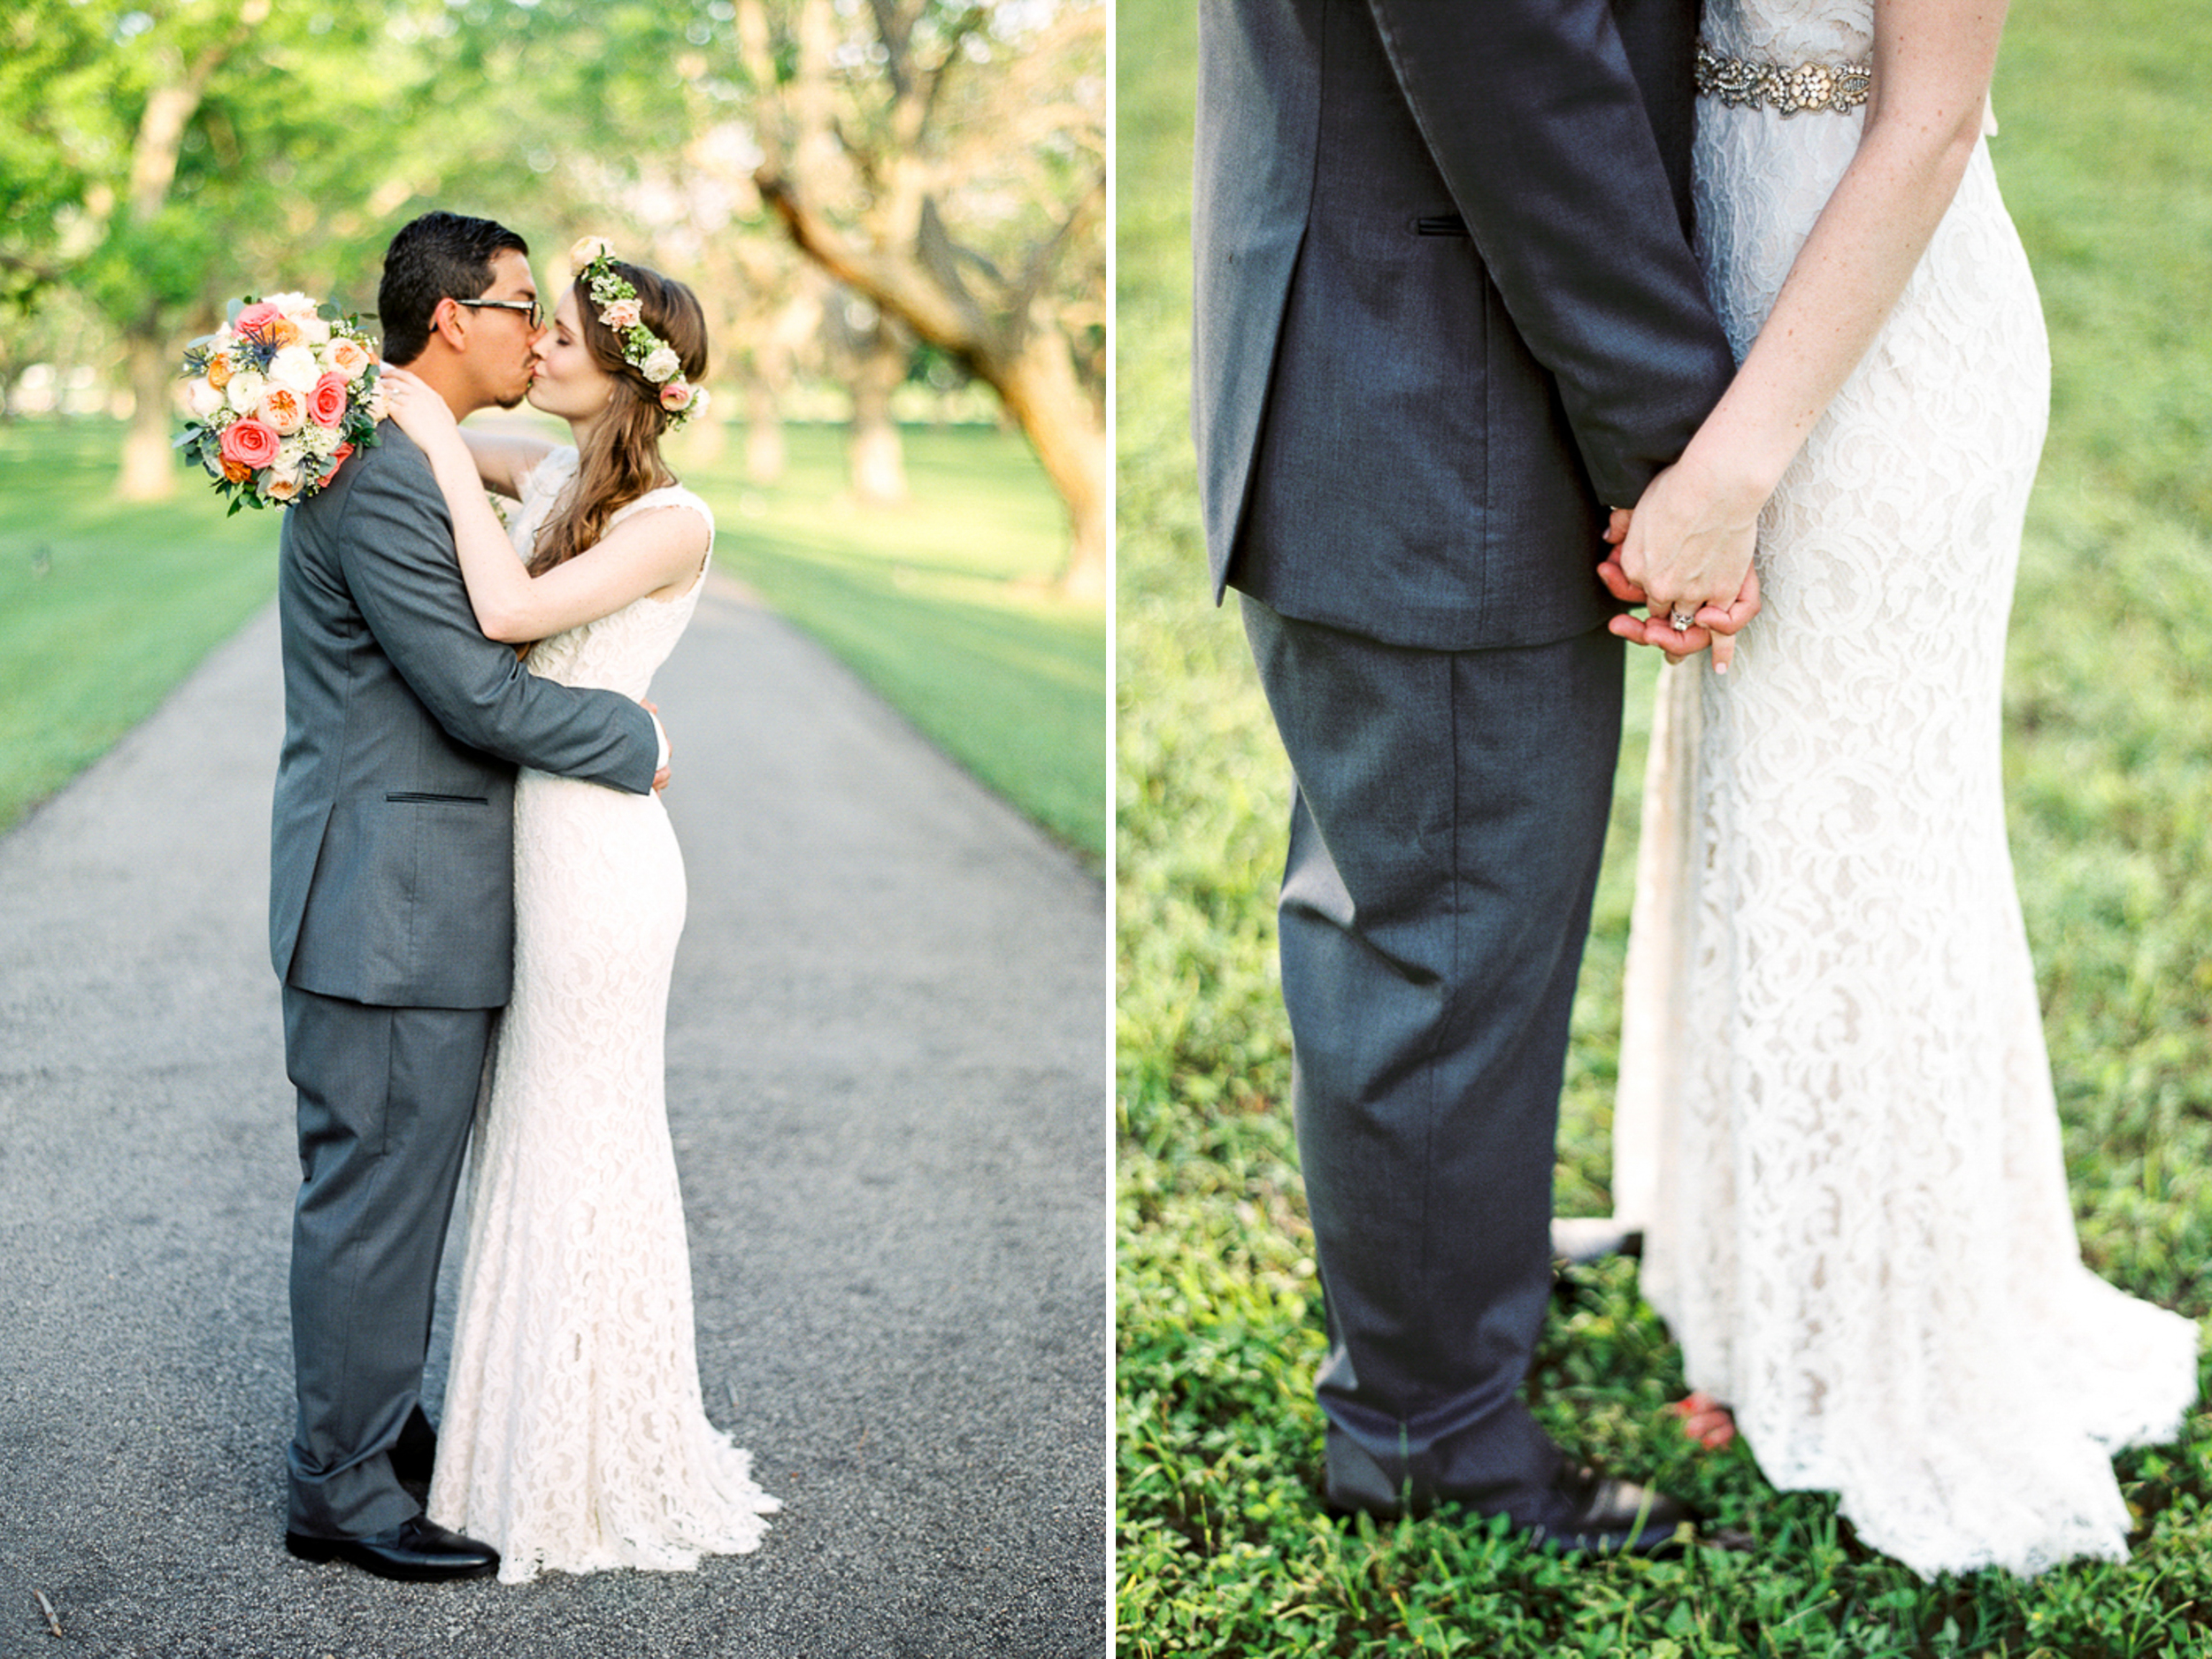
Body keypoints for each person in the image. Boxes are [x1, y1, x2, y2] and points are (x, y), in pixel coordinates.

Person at [1603, 0, 2199, 1575]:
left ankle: (1872, 1350)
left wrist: (1734, 469)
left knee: (1856, 843)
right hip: (1722, 308)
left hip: (1875, 360)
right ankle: (1756, 1293)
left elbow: (1932, 120)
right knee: (1761, 820)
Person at [1191, 0, 1750, 1552]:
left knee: (1463, 916)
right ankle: (1425, 1431)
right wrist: (1677, 444)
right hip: (1438, 387)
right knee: (1442, 942)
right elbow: (1510, 54)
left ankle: (1464, 1262)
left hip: (1392, 352)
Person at [272, 211, 669, 1583]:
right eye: (516, 305)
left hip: (413, 894)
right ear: (453, 320)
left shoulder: (402, 447)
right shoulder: (383, 470)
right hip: (388, 903)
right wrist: (640, 742)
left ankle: (371, 1426)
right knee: (376, 1190)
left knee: (398, 1179)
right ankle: (338, 1487)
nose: (534, 330)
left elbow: (546, 475)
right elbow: (474, 690)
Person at [380, 237, 780, 1584]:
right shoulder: (554, 471)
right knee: (533, 1131)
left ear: (621, 373)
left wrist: (435, 448)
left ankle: (597, 1458)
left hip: (604, 865)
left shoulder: (673, 522)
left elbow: (504, 611)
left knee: (582, 1132)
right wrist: (353, 390)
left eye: (560, 334)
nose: (537, 347)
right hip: (536, 847)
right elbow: (441, 419)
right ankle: (512, 1436)